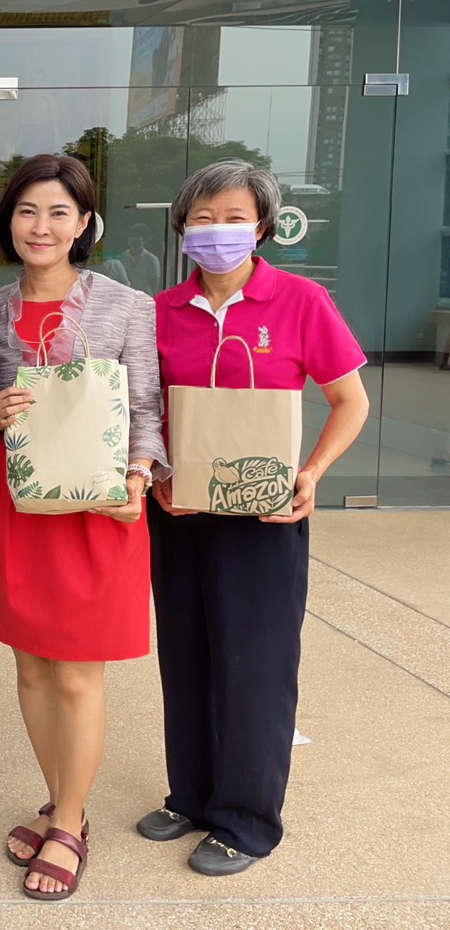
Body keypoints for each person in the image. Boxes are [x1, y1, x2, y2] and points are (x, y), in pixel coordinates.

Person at [140, 160, 369, 876]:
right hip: (179, 512)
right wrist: (154, 476)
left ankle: (246, 819)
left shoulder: (299, 300)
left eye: (234, 218)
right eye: (202, 219)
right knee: (186, 657)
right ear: (182, 228)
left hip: (264, 518)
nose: (218, 231)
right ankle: (191, 794)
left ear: (262, 227)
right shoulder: (160, 310)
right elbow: (143, 411)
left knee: (255, 666)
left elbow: (350, 400)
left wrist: (311, 474)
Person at [0, 155, 167, 901]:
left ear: (84, 223)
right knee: (30, 667)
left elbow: (146, 409)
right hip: (15, 503)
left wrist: (139, 480)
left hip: (97, 505)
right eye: (27, 211)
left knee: (79, 672)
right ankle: (60, 802)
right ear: (8, 223)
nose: (41, 226)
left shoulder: (126, 305)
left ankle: (72, 822)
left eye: (58, 212)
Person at [121, 224, 162, 295]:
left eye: (137, 236)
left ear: (145, 240)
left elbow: (155, 283)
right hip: (126, 296)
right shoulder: (122, 256)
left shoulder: (152, 259)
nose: (134, 239)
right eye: (132, 236)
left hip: (144, 297)